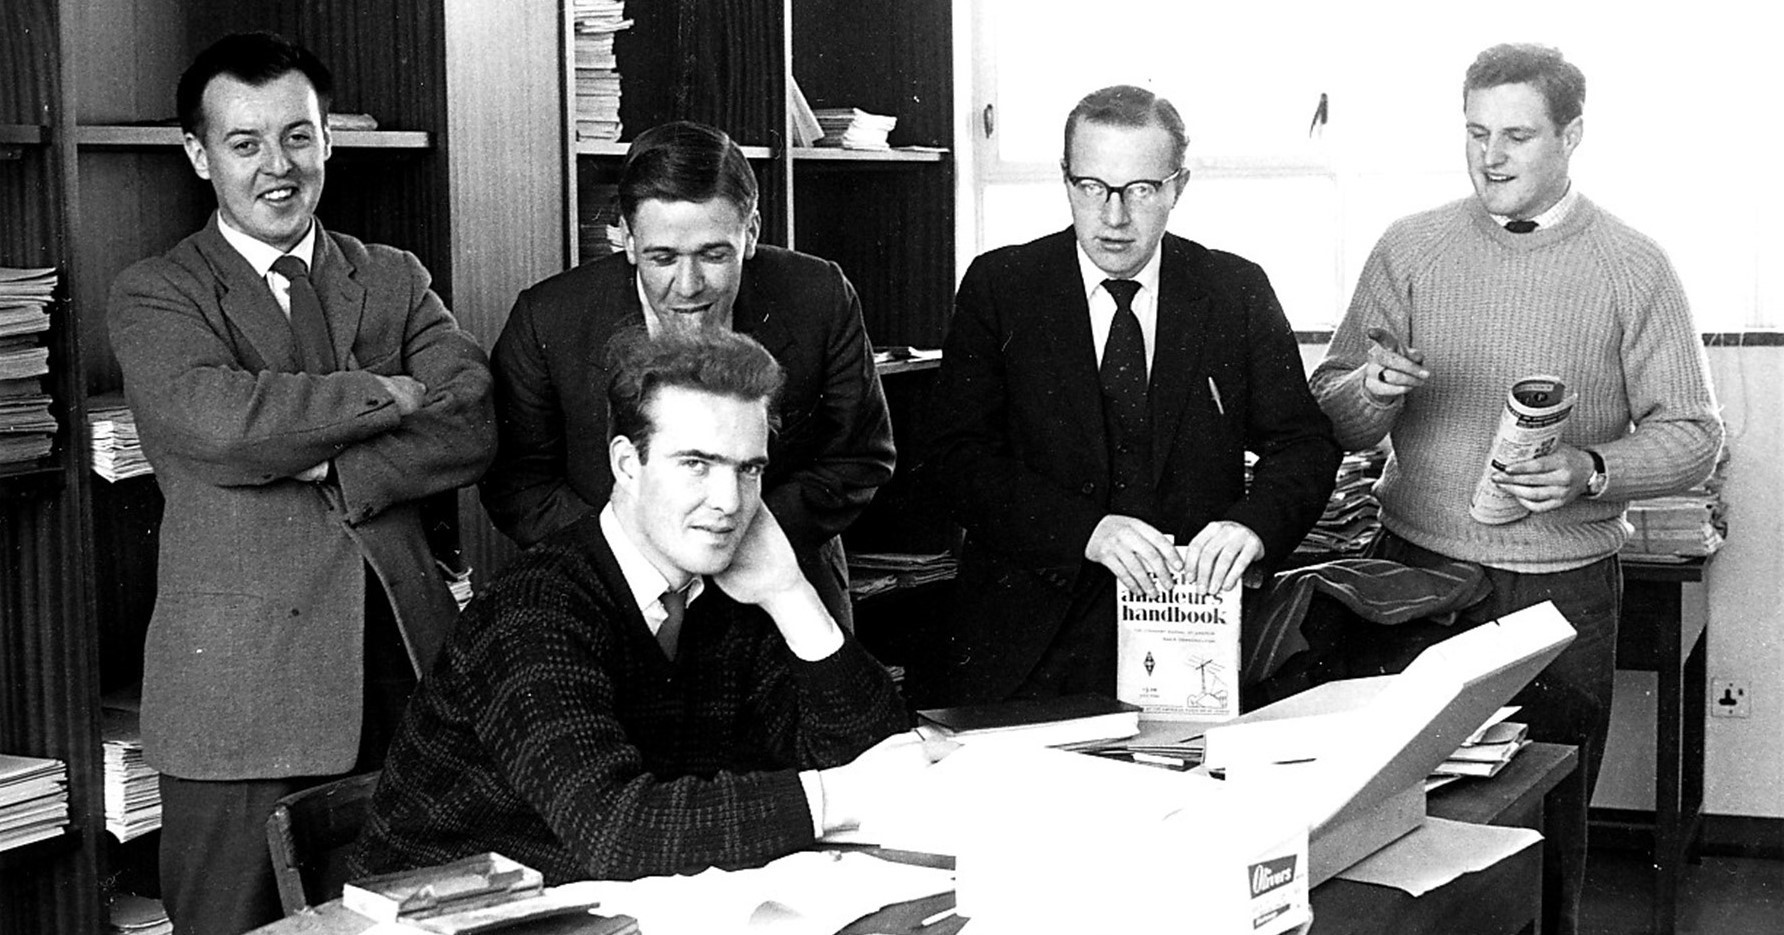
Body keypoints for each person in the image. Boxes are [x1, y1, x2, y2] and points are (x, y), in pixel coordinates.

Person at [1308, 43, 1723, 935]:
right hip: (1412, 576)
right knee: (1389, 832)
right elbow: (1334, 413)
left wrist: (1592, 468)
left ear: (1572, 136)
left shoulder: (1632, 265)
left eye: (1517, 136)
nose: (1489, 157)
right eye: (1475, 133)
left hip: (1561, 591)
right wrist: (1369, 393)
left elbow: (1694, 434)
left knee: (1544, 829)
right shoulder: (1410, 246)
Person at [106, 32, 496, 935]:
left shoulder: (392, 275)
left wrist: (322, 451)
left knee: (436, 921)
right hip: (242, 703)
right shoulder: (157, 292)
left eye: (298, 137)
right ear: (200, 156)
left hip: (408, 672)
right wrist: (384, 395)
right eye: (245, 144)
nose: (277, 167)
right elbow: (216, 421)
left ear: (329, 141)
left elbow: (471, 418)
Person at [352, 328, 932, 882]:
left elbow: (882, 758)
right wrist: (843, 794)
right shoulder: (534, 610)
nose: (729, 502)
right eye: (696, 464)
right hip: (443, 916)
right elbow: (617, 829)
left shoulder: (727, 589)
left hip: (607, 903)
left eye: (748, 469)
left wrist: (792, 595)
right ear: (627, 464)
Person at [921, 85, 1339, 706]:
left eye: (1141, 190)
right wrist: (1085, 530)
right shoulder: (1001, 286)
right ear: (1065, 180)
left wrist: (1252, 527)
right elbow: (953, 461)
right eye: (1092, 187)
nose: (1114, 217)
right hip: (1027, 641)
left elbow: (1304, 445)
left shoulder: (1234, 290)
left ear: (1179, 186)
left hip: (1197, 641)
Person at [480, 120, 894, 628]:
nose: (689, 285)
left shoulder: (820, 295)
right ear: (628, 241)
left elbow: (860, 456)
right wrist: (637, 558)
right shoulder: (548, 317)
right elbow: (518, 484)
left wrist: (731, 539)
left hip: (778, 582)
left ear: (752, 233)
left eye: (714, 254)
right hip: (607, 598)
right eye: (662, 258)